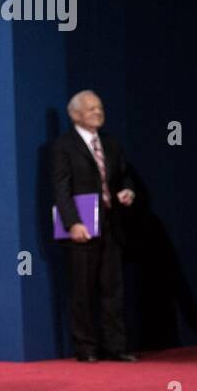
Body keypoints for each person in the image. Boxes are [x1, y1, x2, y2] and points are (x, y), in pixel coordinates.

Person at [51, 90, 138, 362]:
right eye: (91, 109)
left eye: (100, 107)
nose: (98, 112)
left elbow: (124, 175)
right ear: (75, 115)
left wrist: (127, 191)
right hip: (82, 228)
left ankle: (115, 346)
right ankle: (86, 347)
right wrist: (73, 222)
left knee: (113, 289)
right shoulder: (63, 146)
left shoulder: (111, 144)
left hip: (111, 226)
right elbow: (60, 188)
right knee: (82, 290)